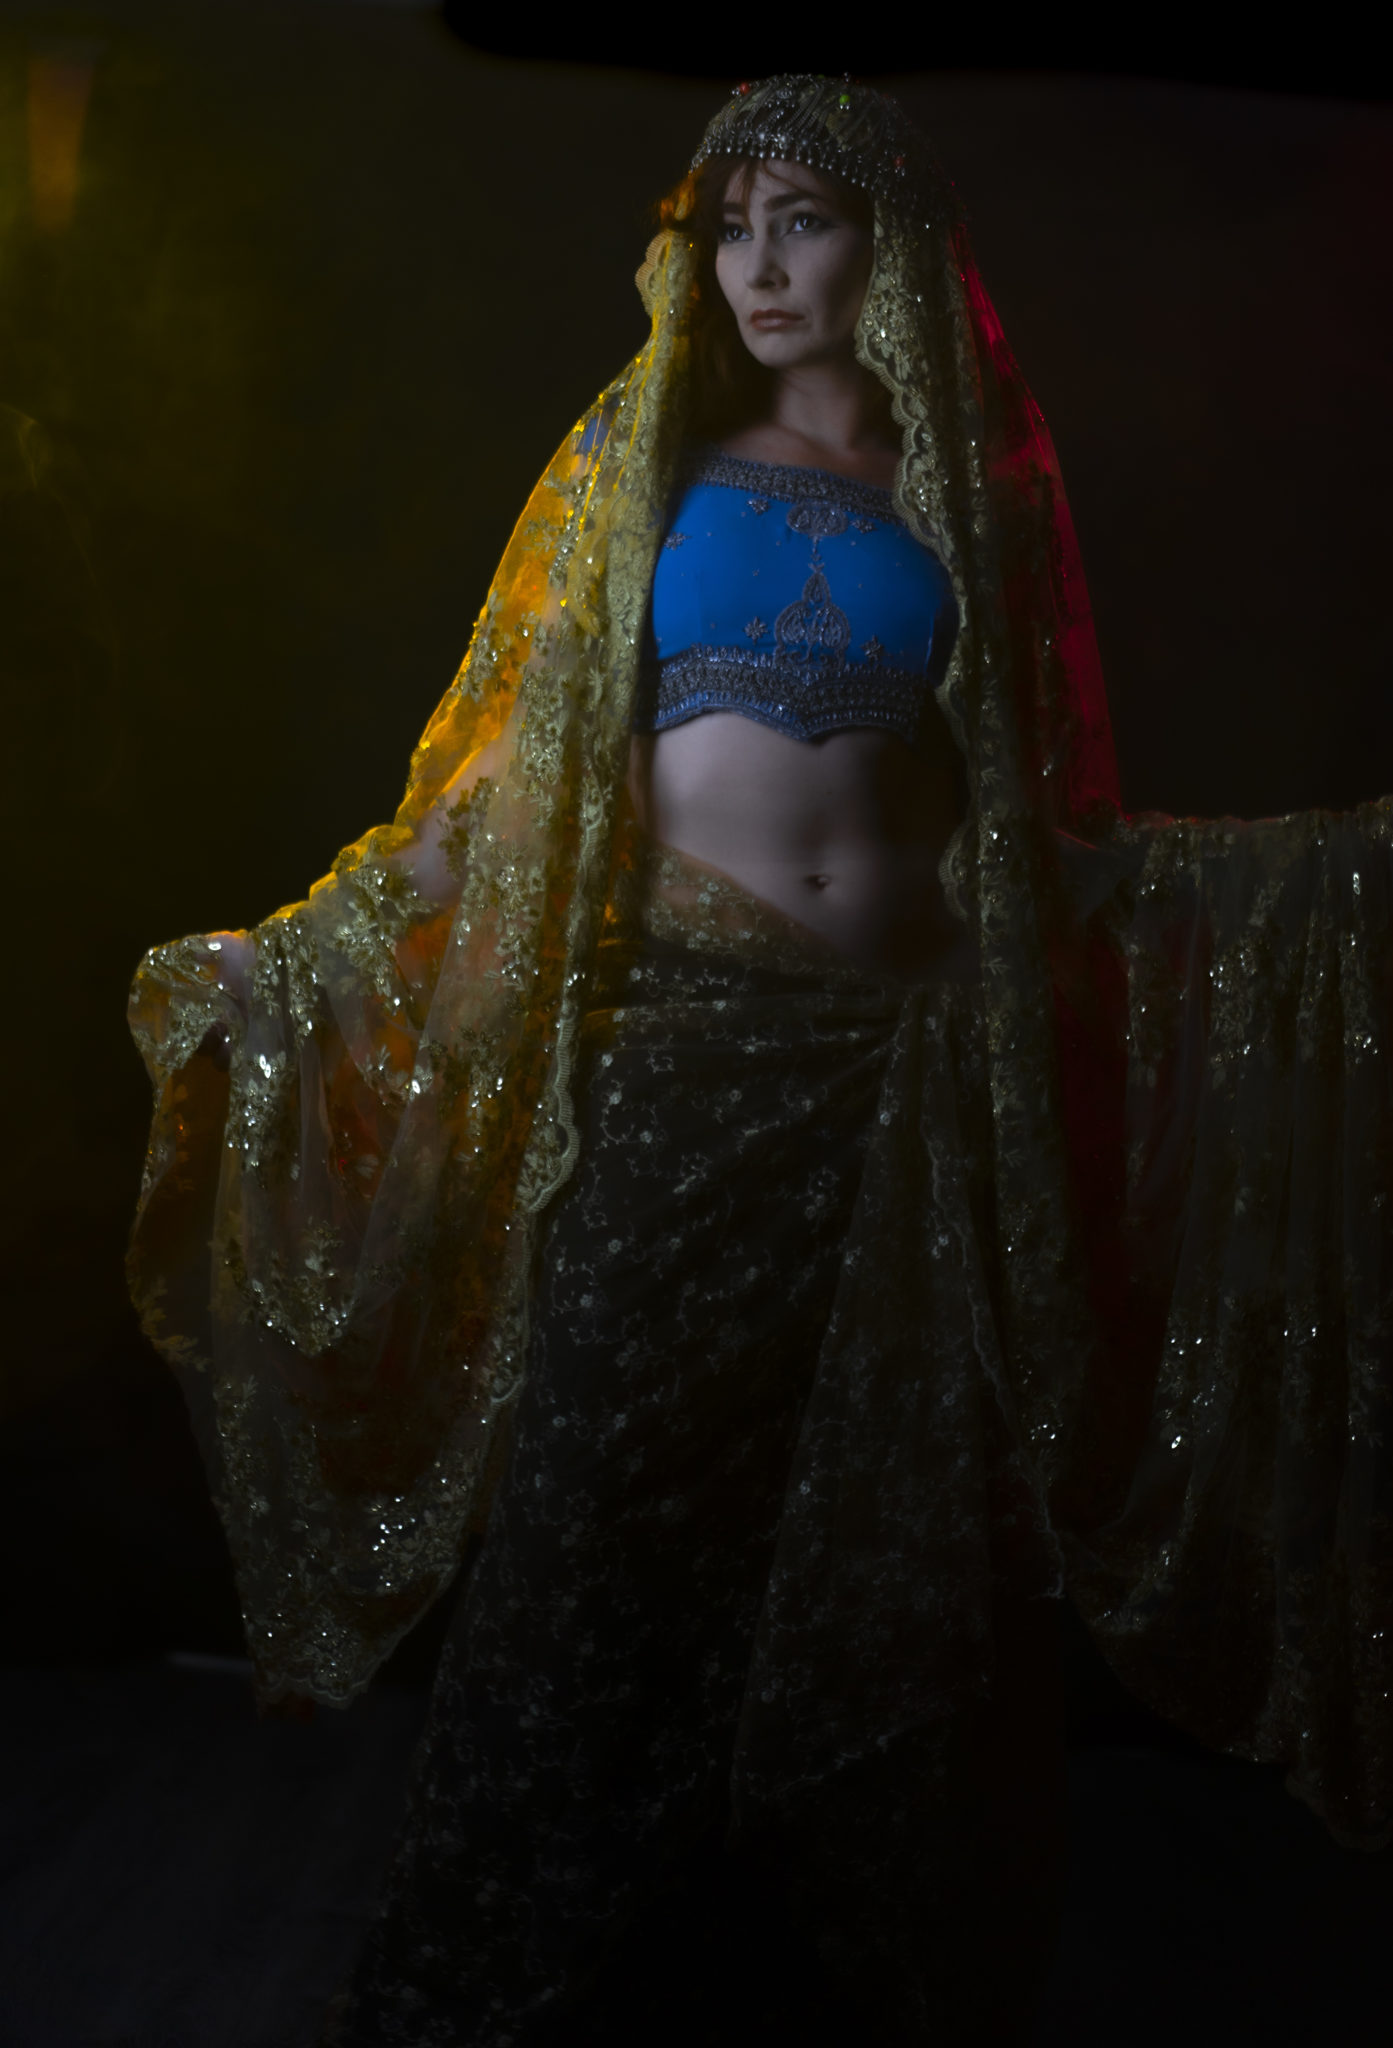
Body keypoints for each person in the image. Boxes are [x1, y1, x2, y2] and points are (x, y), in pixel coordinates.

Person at [126, 76, 1393, 2046]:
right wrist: (295, 952)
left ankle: (846, 1981)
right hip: (676, 1052)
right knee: (603, 1530)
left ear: (893, 247)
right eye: (731, 224)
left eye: (806, 219)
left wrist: (1320, 881)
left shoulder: (972, 484)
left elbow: (1046, 832)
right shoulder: (637, 456)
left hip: (895, 1074)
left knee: (896, 1553)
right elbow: (499, 788)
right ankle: (526, 1974)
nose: (761, 264)